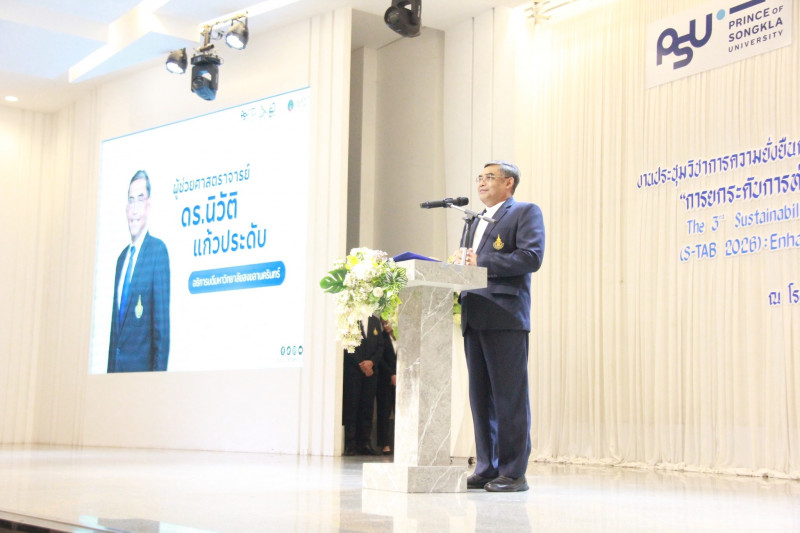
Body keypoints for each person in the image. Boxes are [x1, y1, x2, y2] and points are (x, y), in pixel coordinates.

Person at [451, 160, 545, 492]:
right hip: (474, 314)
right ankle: (487, 467)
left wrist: (483, 261)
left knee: (509, 398)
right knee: (481, 399)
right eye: (479, 177)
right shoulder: (474, 220)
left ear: (509, 183)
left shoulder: (524, 212)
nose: (482, 182)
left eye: (490, 177)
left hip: (505, 315)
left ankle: (513, 472)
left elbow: (532, 257)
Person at [108, 170, 171, 373]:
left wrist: (156, 384)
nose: (135, 209)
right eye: (131, 200)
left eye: (140, 200)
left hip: (141, 384)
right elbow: (115, 336)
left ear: (149, 205)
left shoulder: (157, 252)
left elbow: (161, 334)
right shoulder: (121, 260)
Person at [342, 314, 384, 456]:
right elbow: (348, 345)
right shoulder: (351, 319)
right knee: (352, 406)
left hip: (371, 373)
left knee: (367, 407)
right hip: (354, 372)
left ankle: (365, 442)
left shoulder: (375, 321)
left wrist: (371, 362)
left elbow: (380, 346)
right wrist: (362, 364)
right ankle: (350, 444)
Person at [375, 319, 397, 455]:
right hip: (385, 379)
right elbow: (380, 358)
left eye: (388, 323)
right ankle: (385, 444)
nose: (386, 326)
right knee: (384, 411)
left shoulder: (403, 335)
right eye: (383, 324)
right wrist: (391, 374)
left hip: (402, 378)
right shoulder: (382, 337)